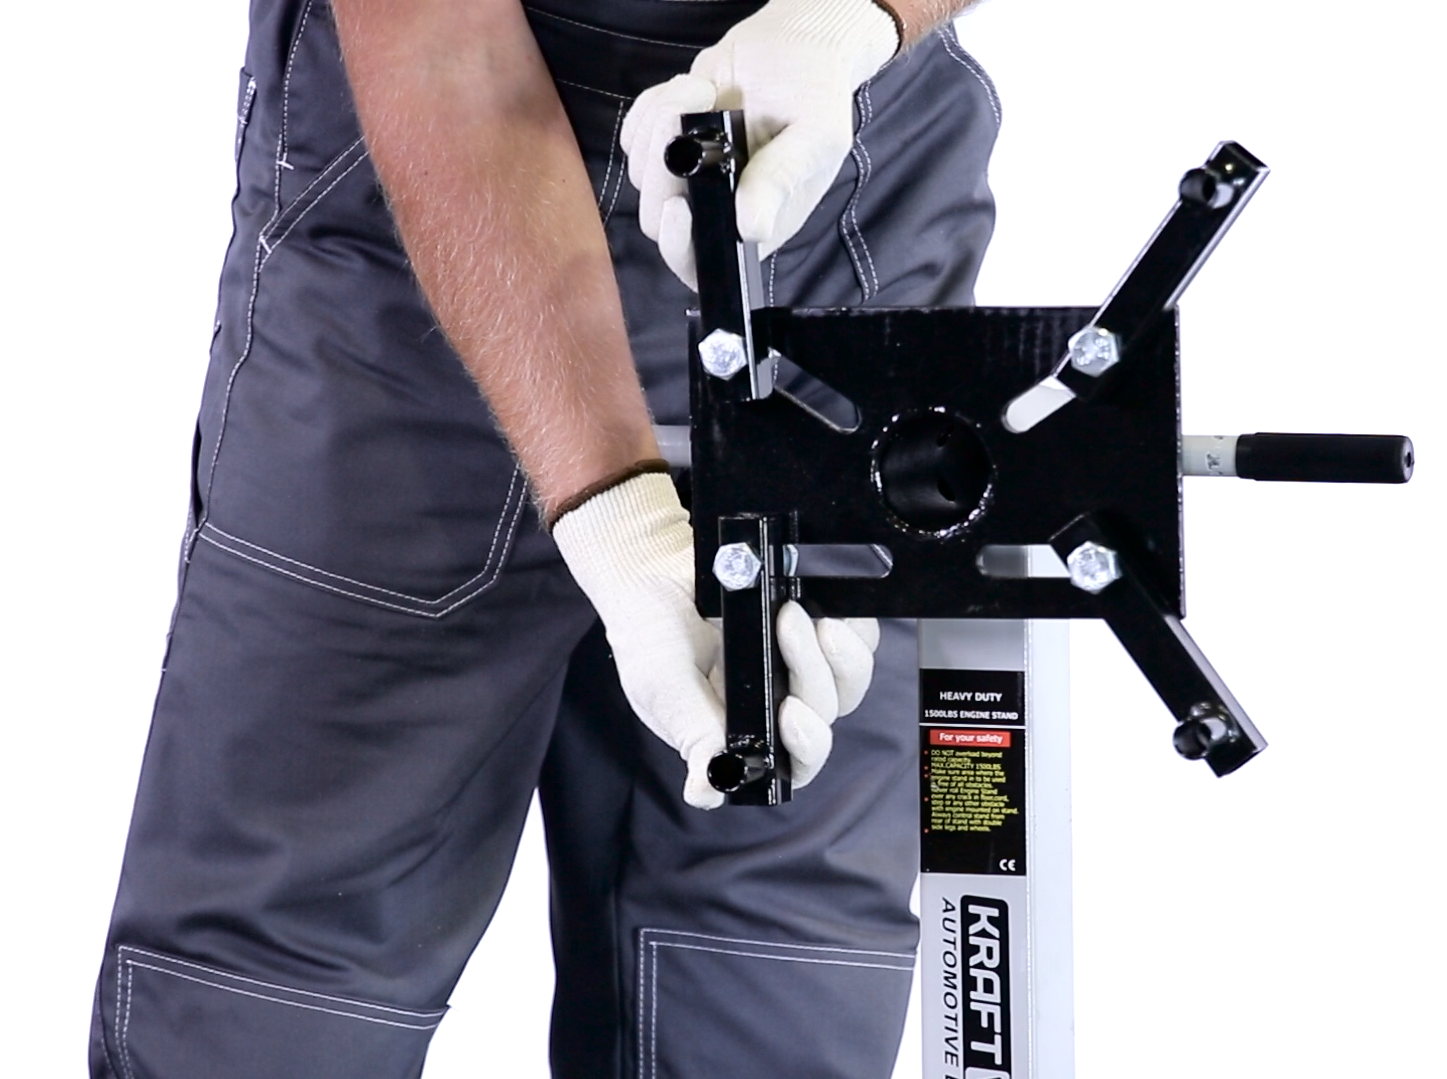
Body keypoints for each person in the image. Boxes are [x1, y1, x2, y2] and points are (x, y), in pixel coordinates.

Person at [88, 0, 1000, 1075]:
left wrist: (848, 19)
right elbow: (442, 47)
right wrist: (616, 517)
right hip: (432, 224)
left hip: (835, 231)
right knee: (275, 1006)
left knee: (771, 984)